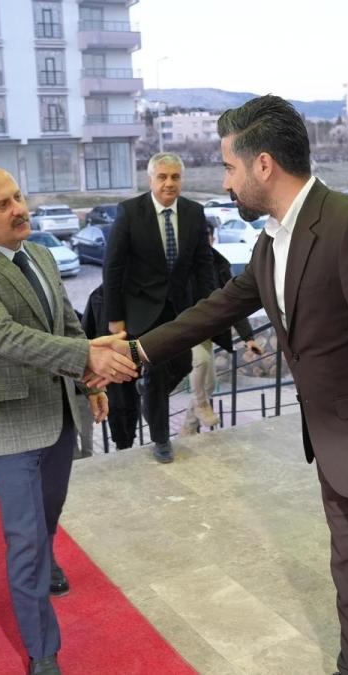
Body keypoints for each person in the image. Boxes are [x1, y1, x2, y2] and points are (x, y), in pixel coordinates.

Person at [114, 95, 348, 675]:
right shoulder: (272, 239)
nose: (225, 182)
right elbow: (219, 306)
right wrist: (136, 351)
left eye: (229, 167)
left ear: (263, 165)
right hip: (332, 447)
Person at [0, 167, 134, 675]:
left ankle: (47, 563)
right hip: (8, 424)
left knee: (47, 516)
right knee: (25, 538)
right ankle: (43, 651)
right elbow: (7, 338)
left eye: (18, 196)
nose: (19, 209)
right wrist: (88, 356)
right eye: (2, 205)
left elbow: (67, 325)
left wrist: (88, 385)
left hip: (58, 414)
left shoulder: (43, 254)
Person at [103, 152, 215, 463]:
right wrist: (115, 318)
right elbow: (112, 268)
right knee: (155, 371)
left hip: (179, 309)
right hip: (141, 310)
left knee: (181, 365)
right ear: (150, 179)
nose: (169, 183)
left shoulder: (194, 212)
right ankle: (161, 439)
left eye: (175, 177)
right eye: (162, 177)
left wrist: (208, 311)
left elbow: (204, 266)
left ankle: (149, 393)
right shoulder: (129, 212)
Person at [181, 224, 264, 436]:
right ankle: (200, 406)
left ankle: (188, 428)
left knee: (209, 384)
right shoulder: (180, 265)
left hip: (207, 332)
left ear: (212, 239)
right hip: (184, 328)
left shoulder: (220, 265)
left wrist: (248, 337)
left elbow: (234, 302)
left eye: (206, 237)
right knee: (202, 361)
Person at [81, 285, 140, 450]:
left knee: (131, 403)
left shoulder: (134, 294)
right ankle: (122, 444)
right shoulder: (98, 295)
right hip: (107, 360)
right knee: (117, 405)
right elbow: (86, 331)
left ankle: (126, 443)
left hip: (131, 357)